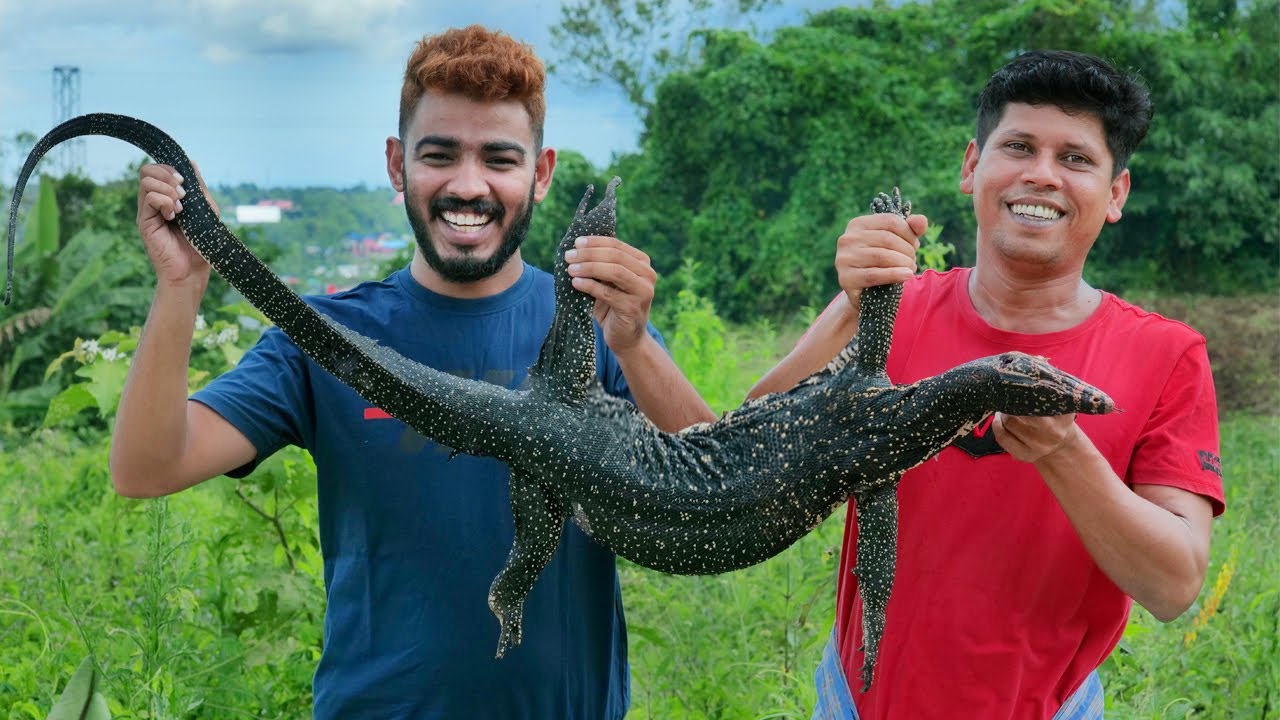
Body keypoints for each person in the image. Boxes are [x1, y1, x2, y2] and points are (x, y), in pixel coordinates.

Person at [109, 25, 715, 719]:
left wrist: (636, 344)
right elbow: (147, 468)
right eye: (439, 155)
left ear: (540, 173)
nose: (468, 185)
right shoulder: (327, 337)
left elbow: (715, 475)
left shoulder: (593, 326)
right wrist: (181, 287)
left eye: (499, 158)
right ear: (397, 165)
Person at [749, 50, 1224, 719]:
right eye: (1020, 146)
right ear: (972, 166)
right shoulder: (893, 310)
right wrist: (849, 306)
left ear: (1116, 193)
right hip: (855, 701)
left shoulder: (1167, 354)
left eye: (1077, 159)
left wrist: (1064, 450)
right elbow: (748, 452)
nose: (1041, 174)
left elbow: (1175, 584)